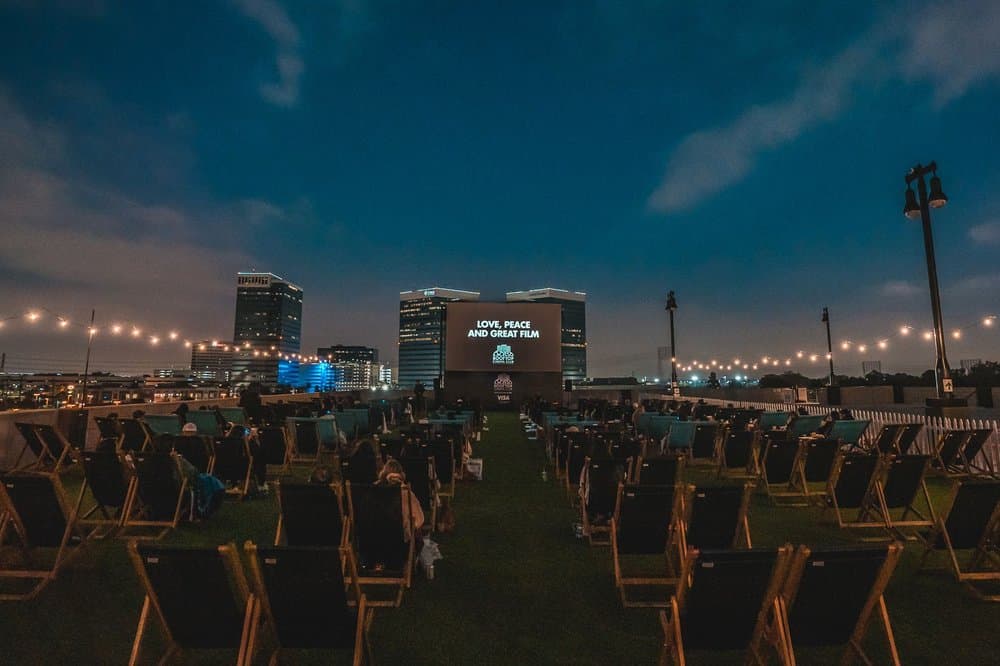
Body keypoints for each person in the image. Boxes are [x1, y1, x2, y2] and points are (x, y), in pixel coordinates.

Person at [376, 459, 424, 540]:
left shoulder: (373, 490)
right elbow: (420, 519)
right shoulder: (405, 493)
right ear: (401, 475)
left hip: (373, 539)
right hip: (399, 542)